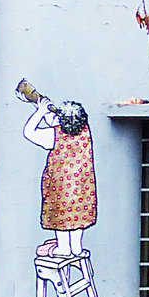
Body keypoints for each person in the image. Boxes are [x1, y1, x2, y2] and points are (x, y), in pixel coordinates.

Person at [22, 97, 97, 257]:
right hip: (81, 190)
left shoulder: (53, 136)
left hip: (61, 190)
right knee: (78, 217)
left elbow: (29, 132)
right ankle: (76, 247)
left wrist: (40, 112)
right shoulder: (84, 131)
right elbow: (58, 121)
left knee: (61, 217)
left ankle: (63, 248)